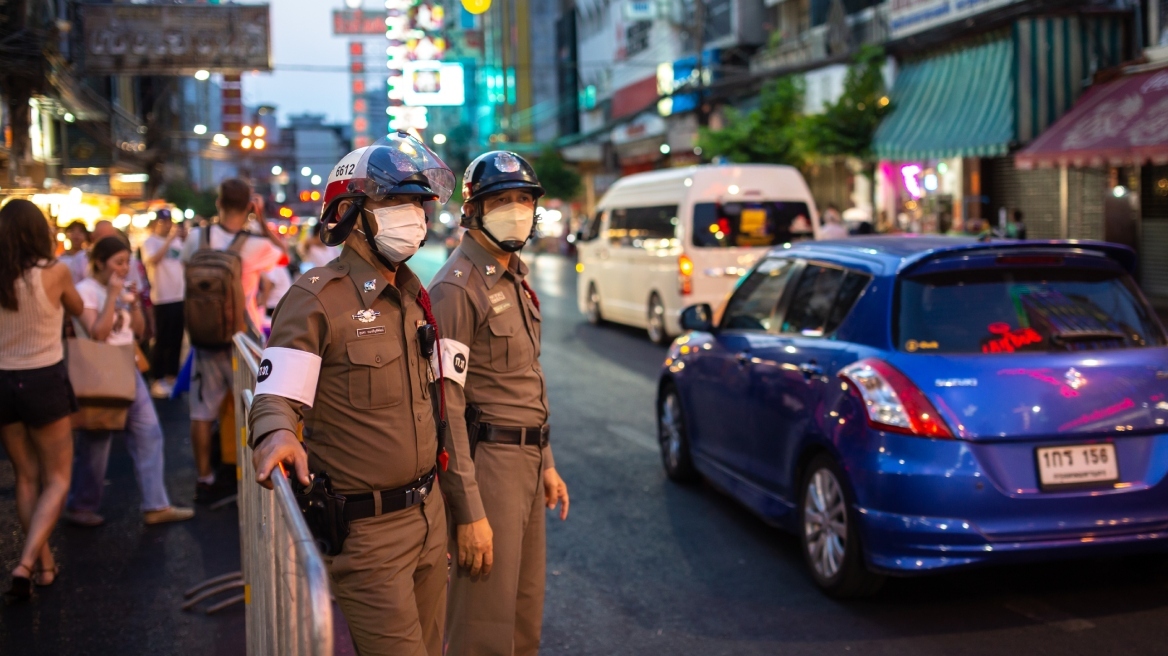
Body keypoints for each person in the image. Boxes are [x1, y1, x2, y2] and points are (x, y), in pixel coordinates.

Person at [249, 133, 454, 656]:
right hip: (369, 536)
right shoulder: (316, 299)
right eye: (394, 202)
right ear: (349, 214)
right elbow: (277, 395)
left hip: (429, 518)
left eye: (416, 203)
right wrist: (275, 435)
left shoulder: (412, 296)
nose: (413, 216)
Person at [429, 151, 570, 656]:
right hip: (487, 470)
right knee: (483, 628)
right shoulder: (456, 288)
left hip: (528, 465)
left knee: (522, 618)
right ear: (474, 210)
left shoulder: (515, 279)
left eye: (524, 200)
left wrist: (547, 462)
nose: (516, 210)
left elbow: (526, 379)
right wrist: (469, 513)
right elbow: (445, 407)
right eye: (502, 200)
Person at [61, 236, 194, 528]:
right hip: (100, 373)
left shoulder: (121, 288)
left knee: (149, 433)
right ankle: (81, 505)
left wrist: (133, 306)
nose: (124, 268)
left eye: (127, 262)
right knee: (97, 442)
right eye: (118, 263)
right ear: (99, 262)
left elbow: (140, 331)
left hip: (127, 369)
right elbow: (97, 332)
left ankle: (156, 505)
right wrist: (111, 296)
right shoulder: (85, 290)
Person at [180, 179, 285, 504]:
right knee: (255, 406)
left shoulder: (197, 238)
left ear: (218, 202)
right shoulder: (255, 245)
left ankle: (204, 478)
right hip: (242, 338)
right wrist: (263, 220)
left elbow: (187, 269)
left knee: (202, 411)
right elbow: (283, 255)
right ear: (248, 206)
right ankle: (258, 476)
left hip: (204, 337)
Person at [0, 200, 84, 602]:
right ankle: (26, 563)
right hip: (43, 380)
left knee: (26, 476)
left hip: (2, 382)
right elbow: (80, 310)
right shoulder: (56, 272)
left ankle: (44, 566)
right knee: (57, 478)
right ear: (40, 233)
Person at [141, 209, 185, 399]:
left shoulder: (178, 242)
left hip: (179, 297)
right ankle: (157, 378)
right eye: (162, 222)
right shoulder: (149, 242)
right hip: (161, 298)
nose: (166, 225)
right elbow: (152, 260)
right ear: (156, 223)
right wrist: (168, 241)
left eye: (168, 222)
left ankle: (172, 376)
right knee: (161, 340)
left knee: (176, 339)